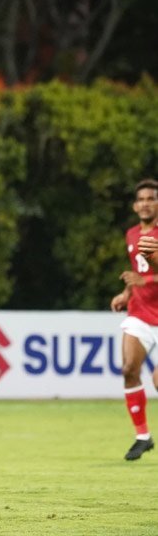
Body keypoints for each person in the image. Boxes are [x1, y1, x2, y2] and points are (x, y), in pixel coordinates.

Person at [113, 178, 158, 461]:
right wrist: (126, 291)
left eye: (150, 198)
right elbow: (137, 273)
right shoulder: (131, 234)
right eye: (140, 199)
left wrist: (145, 278)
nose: (145, 203)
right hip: (140, 312)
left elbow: (146, 274)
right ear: (134, 205)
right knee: (129, 368)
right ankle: (143, 436)